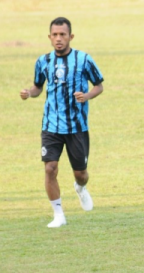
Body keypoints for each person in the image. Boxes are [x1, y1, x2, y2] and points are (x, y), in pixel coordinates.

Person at [20, 17, 104, 228]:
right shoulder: (43, 61)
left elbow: (99, 86)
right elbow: (38, 87)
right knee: (50, 168)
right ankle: (58, 214)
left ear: (70, 37)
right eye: (55, 35)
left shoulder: (83, 59)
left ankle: (80, 187)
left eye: (62, 35)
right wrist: (29, 93)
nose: (58, 39)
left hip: (77, 126)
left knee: (81, 173)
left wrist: (87, 95)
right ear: (49, 37)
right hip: (51, 125)